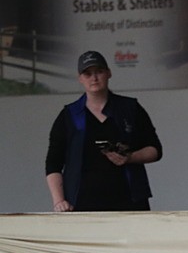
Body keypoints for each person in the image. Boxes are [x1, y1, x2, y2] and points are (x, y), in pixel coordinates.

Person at [45, 51, 163, 212]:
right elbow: (53, 163)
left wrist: (130, 157)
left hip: (130, 200)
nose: (94, 78)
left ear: (109, 73)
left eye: (99, 71)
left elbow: (155, 149)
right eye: (87, 73)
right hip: (82, 202)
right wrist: (59, 201)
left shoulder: (130, 108)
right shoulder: (69, 115)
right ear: (80, 79)